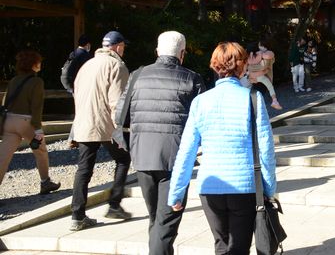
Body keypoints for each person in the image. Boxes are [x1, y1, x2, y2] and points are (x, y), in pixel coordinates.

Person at [167, 42, 277, 255]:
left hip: (210, 185)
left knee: (222, 245)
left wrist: (176, 193)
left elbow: (186, 151)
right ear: (243, 66)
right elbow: (266, 149)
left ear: (215, 66)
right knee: (240, 248)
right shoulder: (253, 99)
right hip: (244, 185)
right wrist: (270, 189)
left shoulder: (200, 102)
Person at [116, 31, 206, 255]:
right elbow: (204, 122)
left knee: (157, 219)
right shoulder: (192, 79)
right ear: (182, 54)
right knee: (165, 224)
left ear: (157, 51)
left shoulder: (137, 75)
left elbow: (120, 117)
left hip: (143, 155)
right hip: (176, 157)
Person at [69, 30, 133, 231]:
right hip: (106, 124)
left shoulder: (87, 65)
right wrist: (121, 129)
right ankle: (114, 204)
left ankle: (77, 216)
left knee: (84, 168)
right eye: (123, 46)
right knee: (123, 159)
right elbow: (117, 101)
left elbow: (76, 94)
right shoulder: (116, 65)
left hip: (84, 121)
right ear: (118, 46)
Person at [0, 50, 61, 194]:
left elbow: (5, 102)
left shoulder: (14, 80)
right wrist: (38, 129)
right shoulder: (37, 81)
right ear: (33, 64)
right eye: (38, 62)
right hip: (26, 122)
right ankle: (45, 182)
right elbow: (36, 106)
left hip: (9, 121)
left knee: (3, 158)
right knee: (40, 151)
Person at [244, 42, 282, 110]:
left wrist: (248, 72)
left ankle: (249, 103)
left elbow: (245, 68)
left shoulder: (247, 57)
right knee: (270, 86)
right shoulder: (260, 54)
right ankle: (274, 101)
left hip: (252, 77)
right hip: (261, 76)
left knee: (251, 90)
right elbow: (269, 56)